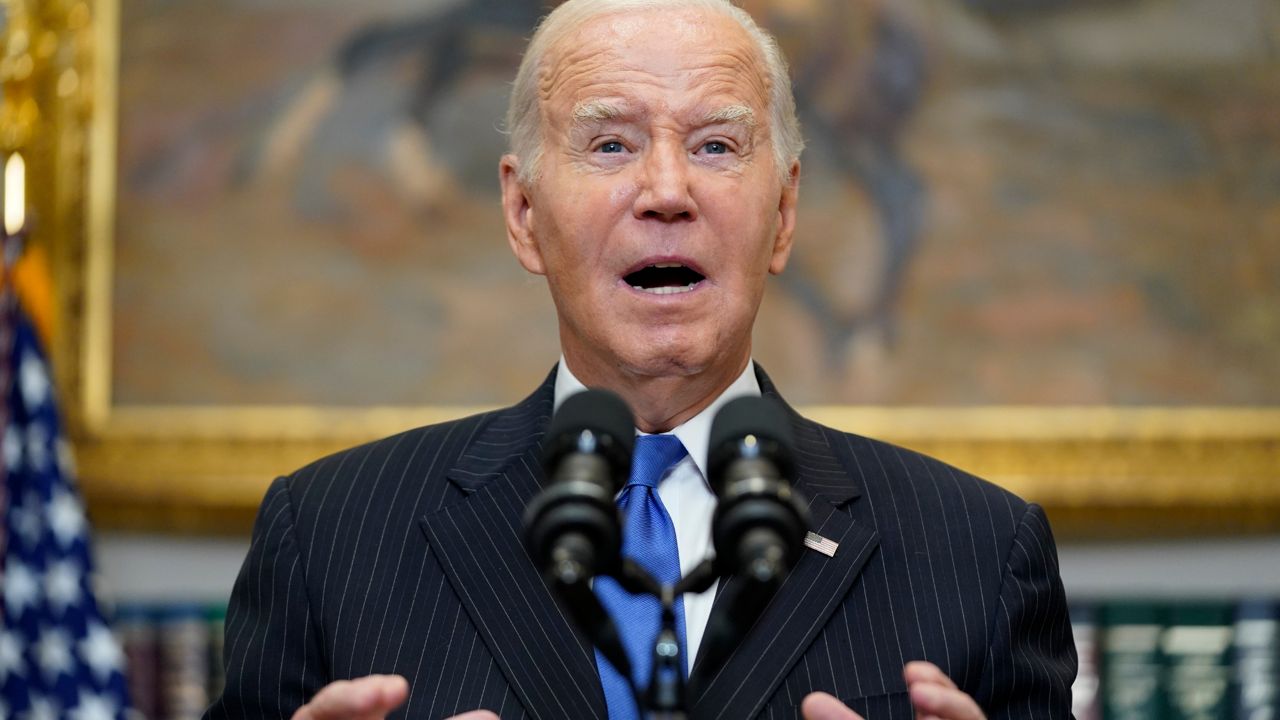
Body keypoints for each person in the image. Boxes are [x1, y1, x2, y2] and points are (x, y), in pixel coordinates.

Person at [204, 1, 1077, 718]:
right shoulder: (326, 538)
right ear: (521, 212)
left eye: (716, 146)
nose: (666, 192)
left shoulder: (980, 552)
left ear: (782, 215)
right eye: (612, 144)